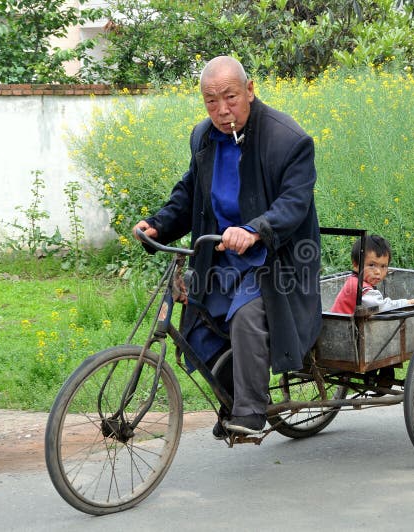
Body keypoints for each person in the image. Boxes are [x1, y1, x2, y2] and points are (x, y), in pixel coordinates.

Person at [133, 56, 322, 437]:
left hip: (275, 261)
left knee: (247, 317)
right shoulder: (204, 137)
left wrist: (254, 230)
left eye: (231, 97)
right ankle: (233, 400)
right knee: (196, 322)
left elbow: (293, 203)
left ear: (250, 91)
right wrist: (157, 225)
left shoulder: (288, 140)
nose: (222, 110)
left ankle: (251, 414)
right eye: (211, 100)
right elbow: (189, 195)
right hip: (220, 258)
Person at [329, 234, 414, 314]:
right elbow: (381, 307)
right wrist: (409, 303)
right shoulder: (359, 287)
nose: (378, 272)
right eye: (372, 265)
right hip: (344, 333)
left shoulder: (356, 281)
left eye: (383, 266)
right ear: (356, 265)